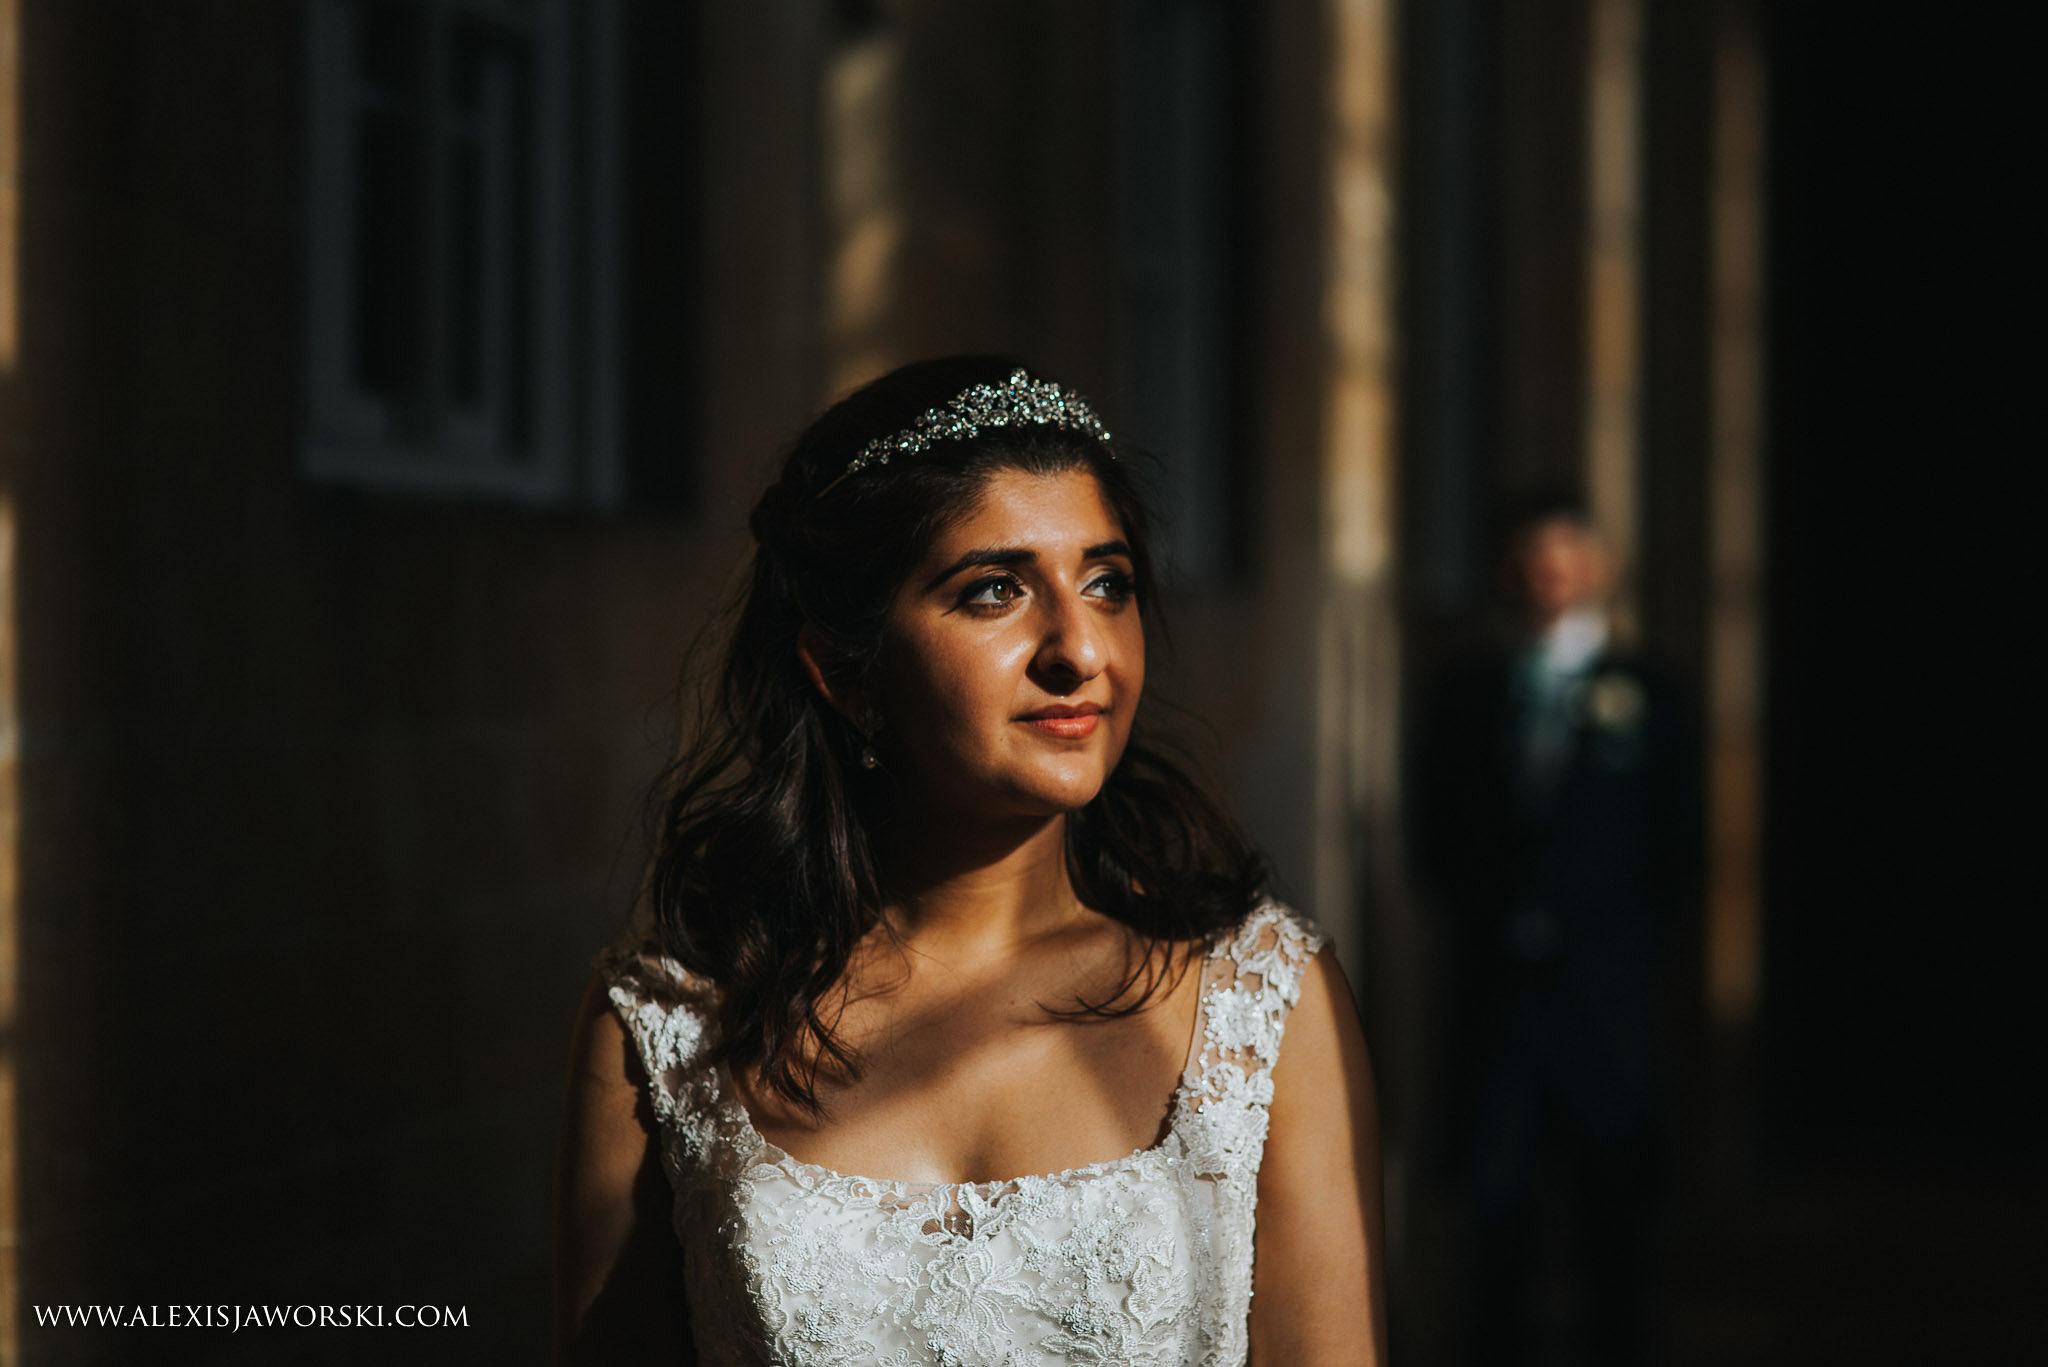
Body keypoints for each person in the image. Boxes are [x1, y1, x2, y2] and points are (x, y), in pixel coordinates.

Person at [554, 357, 1387, 1365]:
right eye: (994, 590)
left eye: (1106, 582)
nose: (1078, 649)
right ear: (846, 671)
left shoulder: (1263, 1003)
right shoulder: (668, 1028)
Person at [1412, 489, 1698, 1365]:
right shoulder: (1461, 694)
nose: (1550, 573)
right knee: (1493, 1233)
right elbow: (1430, 835)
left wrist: (1614, 948)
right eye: (1533, 556)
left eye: (1567, 553)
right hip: (1495, 1004)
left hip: (1606, 1007)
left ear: (1599, 565)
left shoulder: (1651, 695)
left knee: (1617, 1238)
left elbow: (1679, 847)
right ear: (1508, 571)